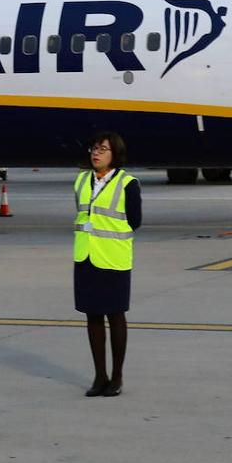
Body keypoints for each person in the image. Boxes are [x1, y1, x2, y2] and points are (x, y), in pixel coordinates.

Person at [73, 131, 141, 397]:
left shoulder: (127, 182)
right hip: (86, 257)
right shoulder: (80, 181)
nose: (96, 153)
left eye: (102, 149)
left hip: (113, 257)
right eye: (94, 148)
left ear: (115, 155)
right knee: (92, 317)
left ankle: (117, 377)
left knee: (115, 316)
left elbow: (135, 220)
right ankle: (99, 376)